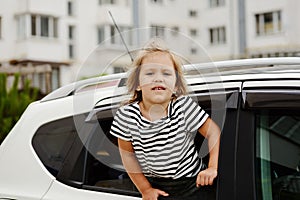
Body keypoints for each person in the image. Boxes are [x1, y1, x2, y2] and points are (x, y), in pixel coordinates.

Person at [110, 38, 220, 200]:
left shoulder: (182, 106)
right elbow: (128, 156)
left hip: (192, 183)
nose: (158, 78)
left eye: (166, 73)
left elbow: (213, 132)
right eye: (149, 73)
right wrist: (145, 189)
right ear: (137, 84)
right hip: (155, 185)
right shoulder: (127, 116)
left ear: (175, 85)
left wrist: (212, 168)